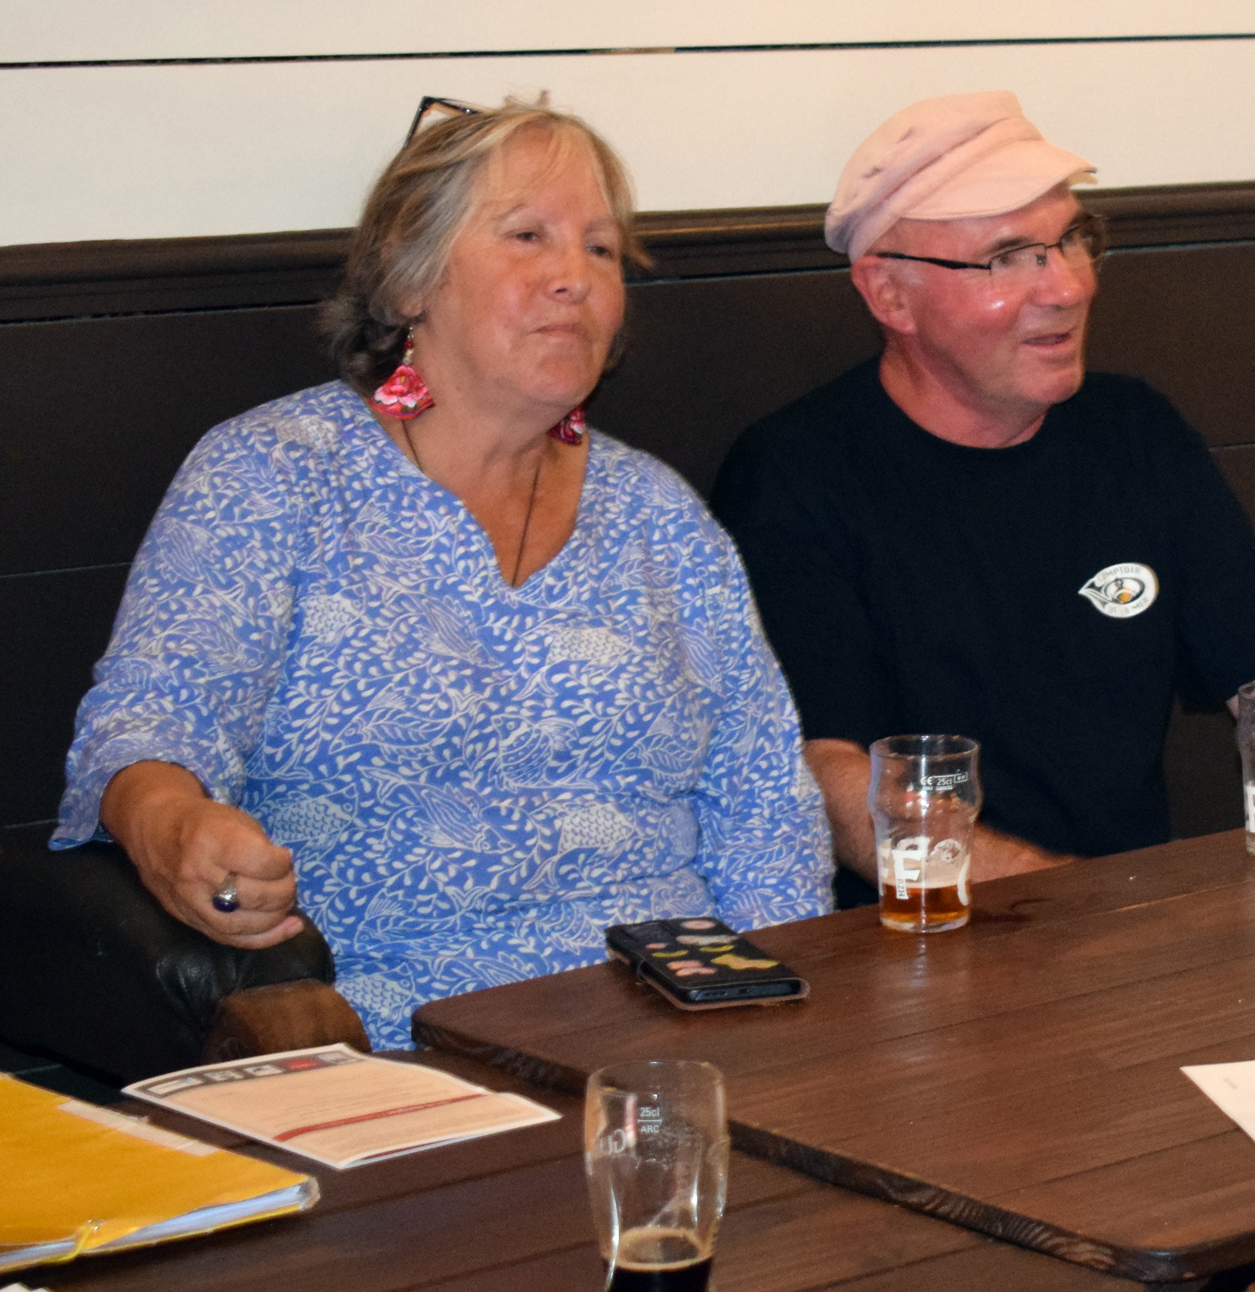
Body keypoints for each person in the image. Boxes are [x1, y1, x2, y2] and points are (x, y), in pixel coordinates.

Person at [56, 100, 832, 1050]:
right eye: (527, 236)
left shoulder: (658, 514)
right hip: (396, 1036)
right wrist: (168, 823)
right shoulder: (275, 474)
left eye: (599, 251)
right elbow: (151, 717)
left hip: (686, 1028)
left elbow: (764, 806)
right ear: (409, 279)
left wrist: (796, 1030)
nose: (573, 281)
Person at [712, 91, 1255, 900]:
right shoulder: (797, 473)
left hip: (1133, 931)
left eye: (1070, 239)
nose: (1067, 286)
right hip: (922, 939)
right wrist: (1075, 912)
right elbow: (829, 777)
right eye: (1007, 257)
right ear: (890, 296)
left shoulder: (1134, 432)